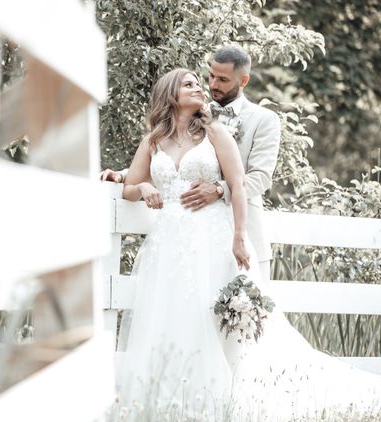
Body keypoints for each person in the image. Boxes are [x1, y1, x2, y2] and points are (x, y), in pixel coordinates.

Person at [110, 67, 381, 422]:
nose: (200, 88)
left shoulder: (214, 132)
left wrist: (238, 237)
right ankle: (172, 407)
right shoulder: (154, 140)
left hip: (213, 239)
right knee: (171, 317)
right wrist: (145, 192)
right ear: (169, 93)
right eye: (189, 84)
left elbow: (237, 184)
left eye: (200, 83)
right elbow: (131, 186)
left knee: (215, 320)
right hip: (169, 243)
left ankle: (223, 405)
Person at [101, 45, 280, 283]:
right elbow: (173, 165)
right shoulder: (195, 113)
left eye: (223, 79)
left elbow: (260, 177)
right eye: (211, 76)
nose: (212, 84)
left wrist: (218, 189)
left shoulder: (263, 119)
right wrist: (125, 176)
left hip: (236, 234)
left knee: (243, 314)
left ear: (243, 80)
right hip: (179, 238)